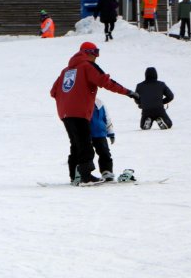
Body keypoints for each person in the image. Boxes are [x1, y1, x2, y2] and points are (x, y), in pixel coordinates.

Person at [49, 41, 137, 185]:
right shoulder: (87, 66)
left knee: (76, 144)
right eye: (95, 53)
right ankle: (86, 176)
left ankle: (75, 176)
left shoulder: (65, 71)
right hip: (80, 111)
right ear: (89, 53)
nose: (97, 57)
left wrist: (67, 98)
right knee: (85, 144)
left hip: (65, 113)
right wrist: (128, 92)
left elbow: (53, 92)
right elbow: (105, 81)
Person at [89, 98, 116, 182]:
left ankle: (106, 171)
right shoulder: (80, 102)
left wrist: (110, 132)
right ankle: (85, 172)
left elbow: (107, 118)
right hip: (86, 133)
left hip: (100, 133)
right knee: (87, 154)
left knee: (104, 152)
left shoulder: (99, 103)